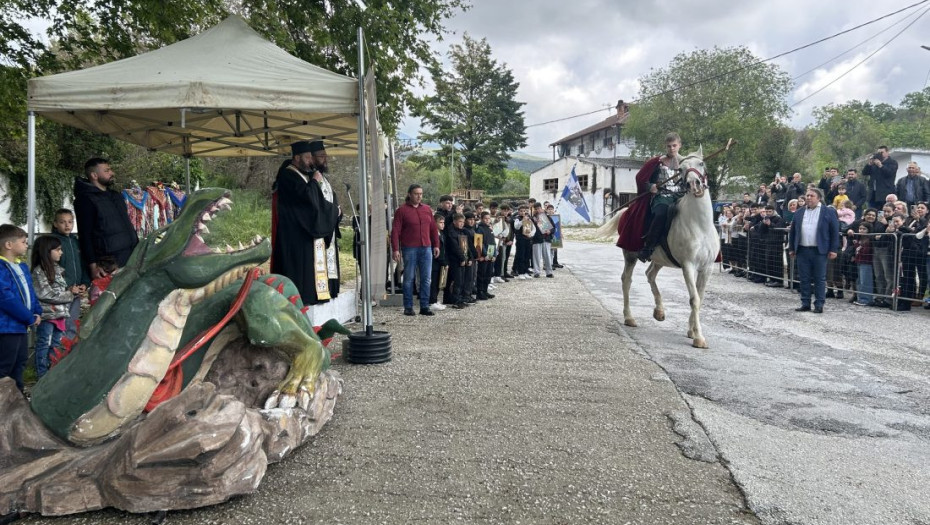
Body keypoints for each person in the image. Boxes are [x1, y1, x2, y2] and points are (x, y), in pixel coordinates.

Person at [271, 140, 341, 305]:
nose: (311, 161)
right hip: (294, 232)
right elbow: (307, 200)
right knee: (298, 269)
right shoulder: (288, 175)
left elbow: (316, 200)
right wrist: (315, 182)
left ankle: (311, 296)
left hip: (304, 231)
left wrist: (333, 211)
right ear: (297, 157)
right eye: (308, 157)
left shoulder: (302, 174)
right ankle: (299, 298)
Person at [617, 132, 684, 260]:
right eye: (669, 146)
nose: (672, 148)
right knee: (660, 214)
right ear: (665, 146)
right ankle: (648, 248)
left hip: (681, 197)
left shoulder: (685, 162)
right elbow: (641, 178)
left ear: (679, 145)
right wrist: (650, 186)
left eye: (674, 145)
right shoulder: (657, 162)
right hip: (662, 197)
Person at [74, 158, 139, 279]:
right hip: (109, 263)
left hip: (130, 256)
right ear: (94, 175)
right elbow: (85, 235)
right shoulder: (85, 200)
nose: (112, 173)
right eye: (107, 170)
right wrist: (93, 266)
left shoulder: (116, 196)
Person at [30, 235, 85, 378]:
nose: (61, 252)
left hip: (60, 315)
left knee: (56, 346)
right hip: (47, 316)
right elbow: (46, 294)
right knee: (44, 345)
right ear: (47, 251)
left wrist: (70, 291)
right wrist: (69, 294)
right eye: (58, 249)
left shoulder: (58, 270)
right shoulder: (39, 272)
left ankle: (51, 374)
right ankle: (41, 376)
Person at [0, 224, 42, 392]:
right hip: (6, 328)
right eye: (24, 241)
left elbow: (30, 292)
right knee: (5, 366)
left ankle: (17, 400)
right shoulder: (1, 268)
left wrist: (37, 311)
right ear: (9, 245)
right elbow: (6, 298)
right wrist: (28, 317)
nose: (27, 245)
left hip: (20, 326)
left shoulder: (22, 267)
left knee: (20, 362)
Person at [788, 188, 840, 313]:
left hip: (819, 251)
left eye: (812, 195)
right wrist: (791, 248)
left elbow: (834, 232)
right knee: (804, 278)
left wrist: (833, 249)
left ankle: (819, 304)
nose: (809, 198)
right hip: (802, 250)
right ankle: (805, 302)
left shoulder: (828, 211)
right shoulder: (799, 212)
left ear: (819, 198)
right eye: (807, 195)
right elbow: (793, 231)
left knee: (819, 278)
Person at [391, 184, 440, 316]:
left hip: (426, 247)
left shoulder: (427, 209)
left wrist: (436, 245)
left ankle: (424, 306)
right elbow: (395, 231)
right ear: (409, 194)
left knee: (426, 278)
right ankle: (408, 306)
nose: (419, 196)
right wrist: (396, 249)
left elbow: (433, 229)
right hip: (409, 248)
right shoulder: (401, 211)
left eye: (421, 194)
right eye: (416, 193)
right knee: (409, 278)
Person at [50, 208, 90, 340]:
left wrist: (84, 283)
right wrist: (66, 287)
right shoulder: (53, 243)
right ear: (55, 224)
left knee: (72, 322)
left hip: (76, 292)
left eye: (70, 222)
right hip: (61, 293)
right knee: (60, 324)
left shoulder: (76, 241)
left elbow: (83, 265)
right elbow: (51, 269)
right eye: (62, 222)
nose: (67, 225)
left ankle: (67, 351)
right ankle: (56, 353)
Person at [428, 213, 447, 311]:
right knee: (434, 282)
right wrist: (443, 261)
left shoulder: (441, 234)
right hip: (435, 262)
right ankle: (432, 301)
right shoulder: (432, 235)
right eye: (440, 222)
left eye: (443, 222)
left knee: (439, 282)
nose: (443, 224)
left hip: (441, 262)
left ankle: (435, 300)